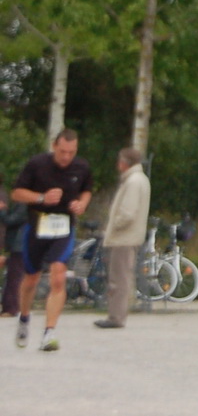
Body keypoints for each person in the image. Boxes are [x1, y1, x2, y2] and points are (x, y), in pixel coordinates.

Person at [10, 128, 94, 351]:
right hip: (37, 225)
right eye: (63, 151)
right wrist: (41, 197)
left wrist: (82, 204)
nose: (67, 157)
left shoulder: (82, 167)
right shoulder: (37, 164)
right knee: (31, 279)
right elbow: (16, 193)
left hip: (64, 227)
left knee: (58, 275)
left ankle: (49, 332)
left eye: (71, 152)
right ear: (54, 145)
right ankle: (24, 318)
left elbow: (87, 190)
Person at [94, 146, 150, 330]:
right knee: (122, 276)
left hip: (124, 238)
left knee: (119, 278)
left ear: (125, 162)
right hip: (128, 238)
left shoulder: (132, 182)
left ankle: (116, 316)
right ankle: (116, 314)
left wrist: (113, 225)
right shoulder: (139, 179)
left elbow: (128, 213)